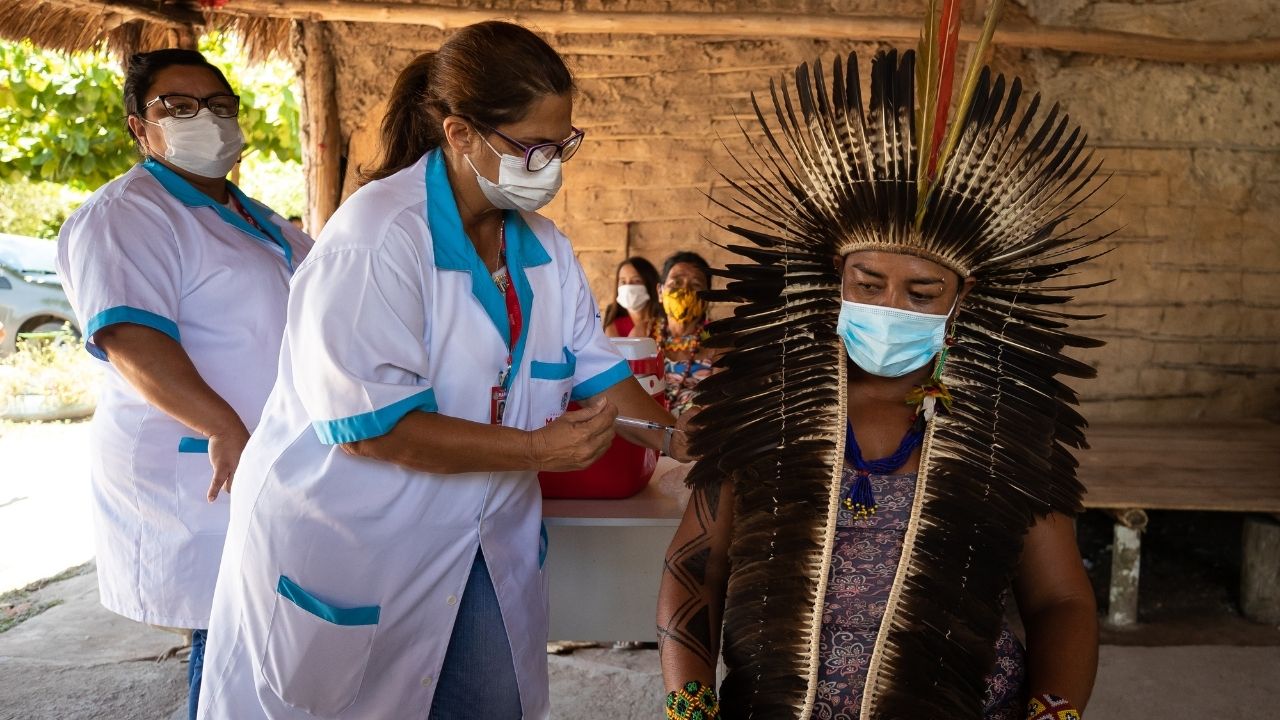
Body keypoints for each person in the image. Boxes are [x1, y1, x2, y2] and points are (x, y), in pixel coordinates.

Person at [197, 21, 686, 720]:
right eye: (533, 147)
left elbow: (598, 372)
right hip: (354, 542)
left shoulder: (543, 250)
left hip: (483, 544)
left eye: (563, 143)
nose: (550, 163)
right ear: (460, 135)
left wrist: (679, 439)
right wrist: (533, 450)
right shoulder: (377, 241)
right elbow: (374, 430)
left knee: (489, 702)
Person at [657, 17, 1104, 720]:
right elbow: (693, 569)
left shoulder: (1000, 424)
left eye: (922, 293)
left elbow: (1060, 599)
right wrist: (690, 703)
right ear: (834, 278)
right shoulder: (767, 405)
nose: (891, 305)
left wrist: (1054, 711)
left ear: (962, 301)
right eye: (868, 283)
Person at [54, 49, 312, 720]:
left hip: (268, 461)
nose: (207, 119)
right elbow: (132, 340)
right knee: (228, 636)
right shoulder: (126, 216)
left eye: (219, 106)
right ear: (140, 127)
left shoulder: (263, 219)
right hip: (201, 466)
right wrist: (221, 425)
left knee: (266, 637)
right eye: (180, 107)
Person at [655, 251, 717, 416]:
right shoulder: (642, 335)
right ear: (660, 292)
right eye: (676, 282)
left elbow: (720, 404)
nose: (685, 290)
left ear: (707, 297)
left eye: (696, 285)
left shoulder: (719, 342)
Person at [603, 255, 662, 338]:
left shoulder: (664, 324)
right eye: (623, 282)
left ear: (650, 284)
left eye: (636, 281)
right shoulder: (613, 328)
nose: (628, 287)